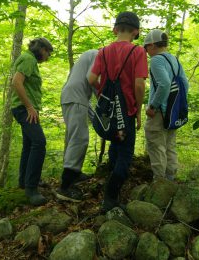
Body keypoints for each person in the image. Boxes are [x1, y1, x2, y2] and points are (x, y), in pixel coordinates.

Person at [88, 11, 148, 211]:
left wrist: (103, 95)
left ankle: (109, 187)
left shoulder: (103, 52)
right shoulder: (137, 52)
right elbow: (139, 85)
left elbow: (91, 79)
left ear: (115, 29)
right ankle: (110, 197)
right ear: (136, 32)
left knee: (115, 144)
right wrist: (138, 110)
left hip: (108, 114)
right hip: (126, 113)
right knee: (125, 154)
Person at [11, 37, 53, 206]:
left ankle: (24, 181)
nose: (48, 56)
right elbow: (16, 82)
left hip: (26, 109)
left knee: (29, 145)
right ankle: (31, 189)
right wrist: (29, 107)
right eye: (47, 52)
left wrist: (32, 108)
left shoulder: (29, 60)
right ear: (41, 48)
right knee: (39, 143)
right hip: (23, 109)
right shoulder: (28, 59)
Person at [144, 29, 189, 181]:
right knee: (170, 145)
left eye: (146, 48)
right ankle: (171, 178)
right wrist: (175, 105)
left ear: (152, 45)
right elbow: (185, 84)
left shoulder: (156, 60)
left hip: (159, 113)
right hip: (172, 112)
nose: (146, 52)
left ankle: (159, 182)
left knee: (156, 145)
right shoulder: (174, 60)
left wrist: (153, 106)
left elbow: (164, 84)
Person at [56, 49, 99, 202]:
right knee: (79, 138)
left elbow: (88, 80)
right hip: (76, 97)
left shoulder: (87, 55)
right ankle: (66, 186)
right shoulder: (98, 55)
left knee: (72, 136)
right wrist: (103, 97)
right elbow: (92, 79)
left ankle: (74, 173)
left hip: (71, 96)